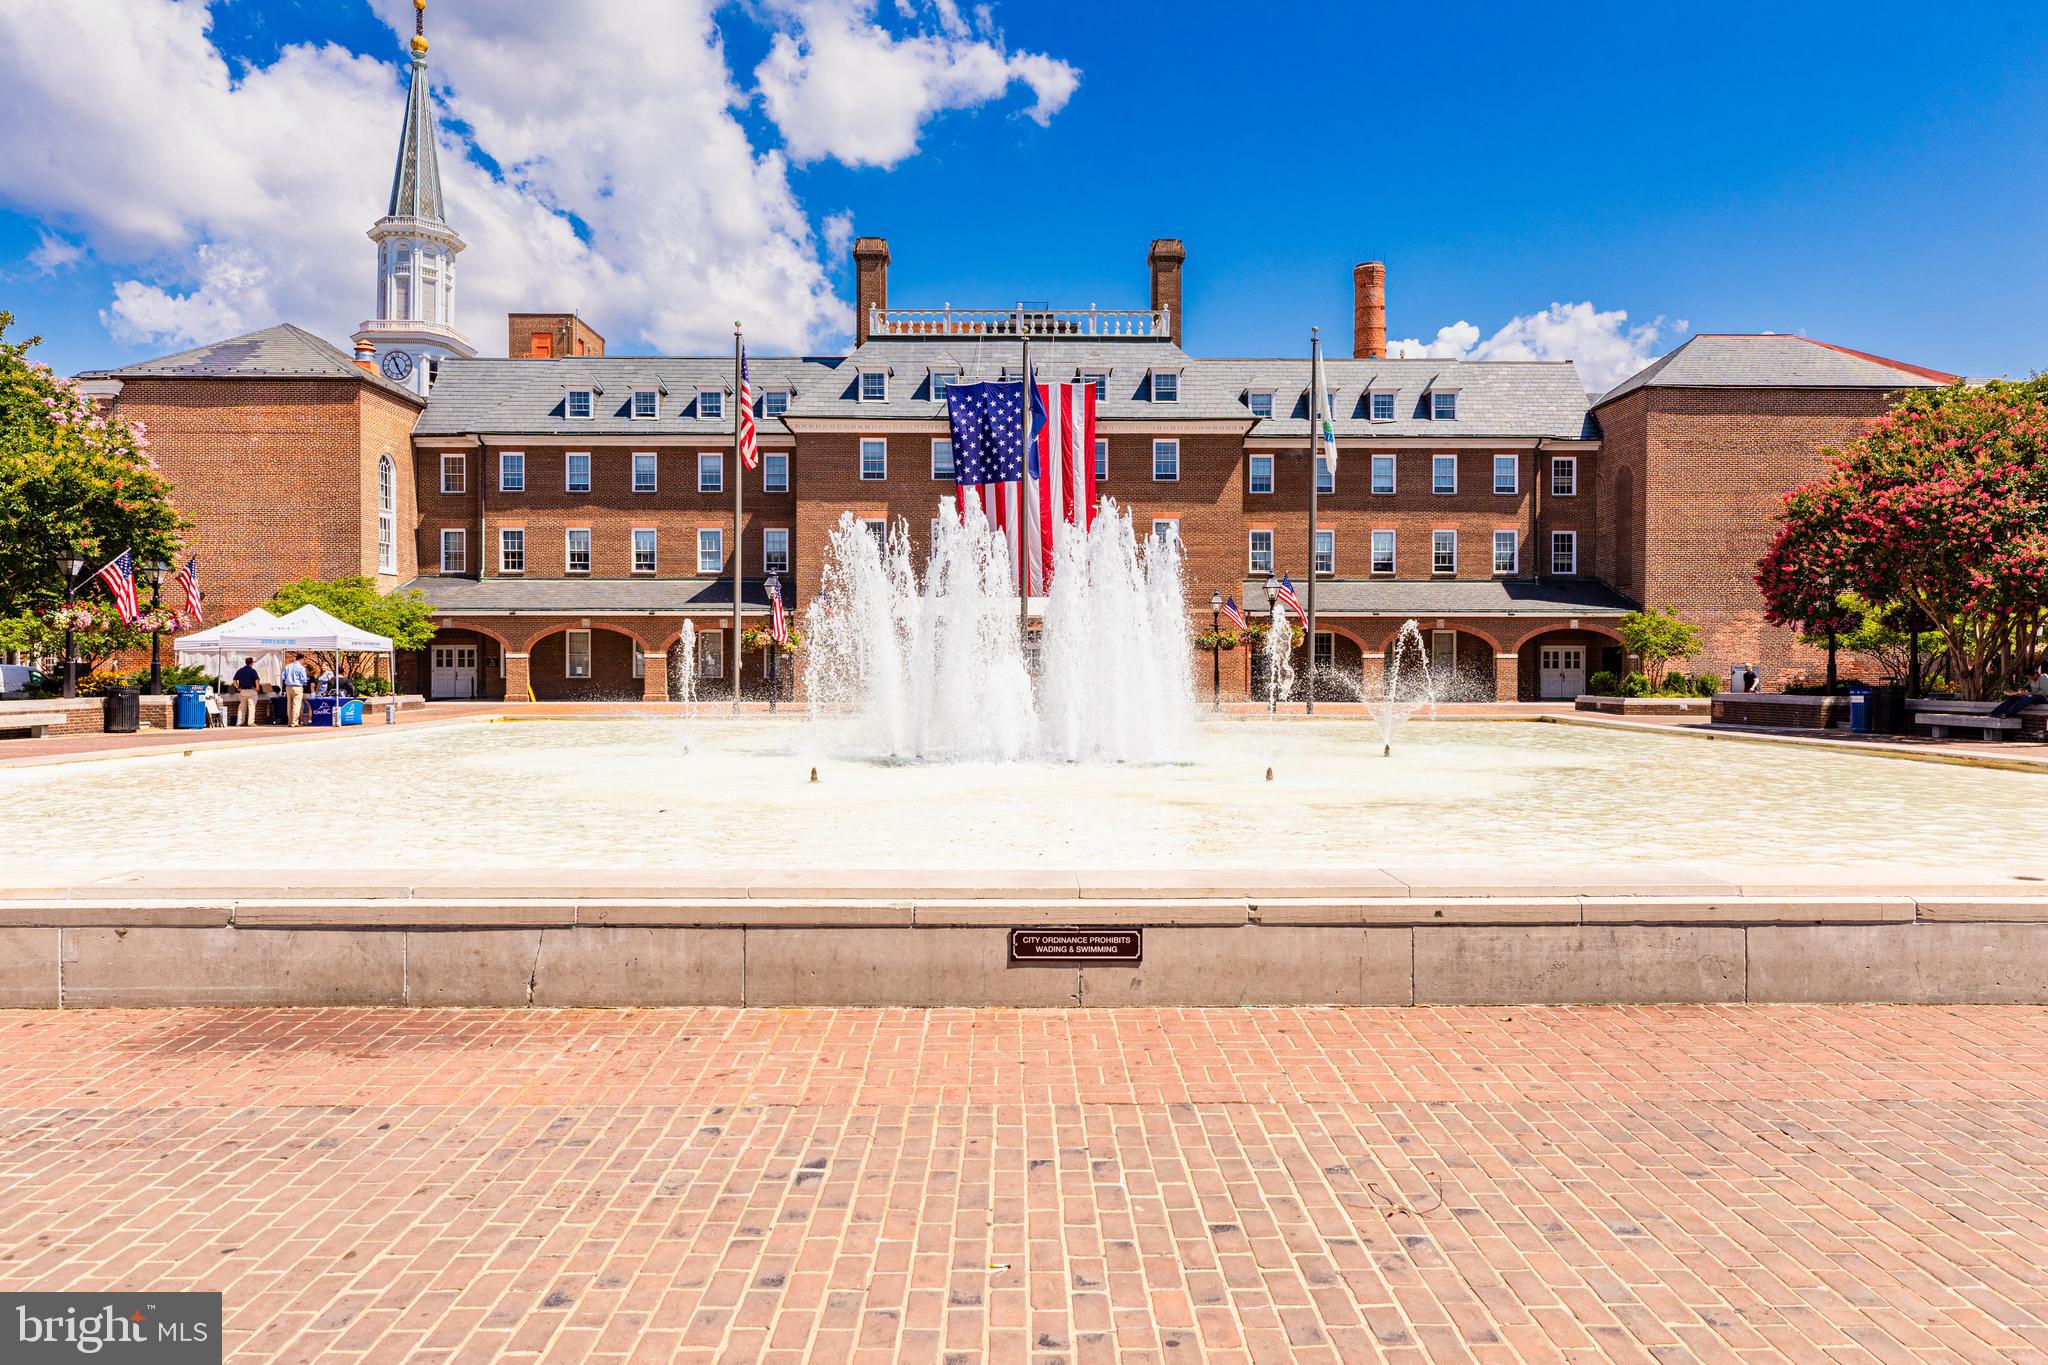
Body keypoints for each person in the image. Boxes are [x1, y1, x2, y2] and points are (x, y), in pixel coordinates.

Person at [280, 653, 309, 726]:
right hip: (297, 686)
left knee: (289, 704)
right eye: (304, 659)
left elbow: (283, 677)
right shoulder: (301, 667)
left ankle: (289, 721)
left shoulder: (288, 666)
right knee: (296, 705)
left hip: (288, 687)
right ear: (302, 659)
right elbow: (304, 679)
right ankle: (294, 722)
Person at [232, 656, 261, 727]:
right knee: (252, 707)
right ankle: (250, 723)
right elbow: (256, 680)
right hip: (251, 690)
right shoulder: (253, 671)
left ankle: (239, 722)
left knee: (242, 707)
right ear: (252, 663)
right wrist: (257, 688)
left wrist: (238, 688)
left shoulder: (240, 670)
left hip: (243, 691)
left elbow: (234, 680)